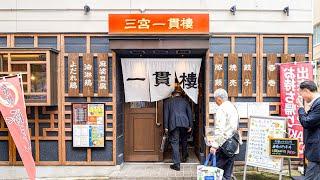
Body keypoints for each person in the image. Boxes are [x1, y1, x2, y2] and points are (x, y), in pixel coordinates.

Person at [209, 88, 239, 180]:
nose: (216, 102)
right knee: (227, 174)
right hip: (233, 145)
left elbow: (220, 130)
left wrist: (214, 146)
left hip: (224, 146)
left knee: (214, 171)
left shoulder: (221, 109)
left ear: (219, 99)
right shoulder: (232, 107)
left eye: (215, 100)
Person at [296, 80, 320, 180]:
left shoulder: (318, 104)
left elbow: (307, 122)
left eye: (302, 95)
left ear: (306, 91)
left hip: (317, 150)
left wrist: (301, 108)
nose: (303, 98)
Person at [164, 89, 193, 171]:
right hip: (185, 123)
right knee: (184, 140)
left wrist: (166, 126)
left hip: (174, 124)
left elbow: (166, 114)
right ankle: (184, 157)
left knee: (175, 142)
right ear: (180, 95)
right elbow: (189, 113)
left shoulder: (168, 102)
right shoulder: (185, 101)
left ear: (173, 95)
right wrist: (190, 125)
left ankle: (177, 164)